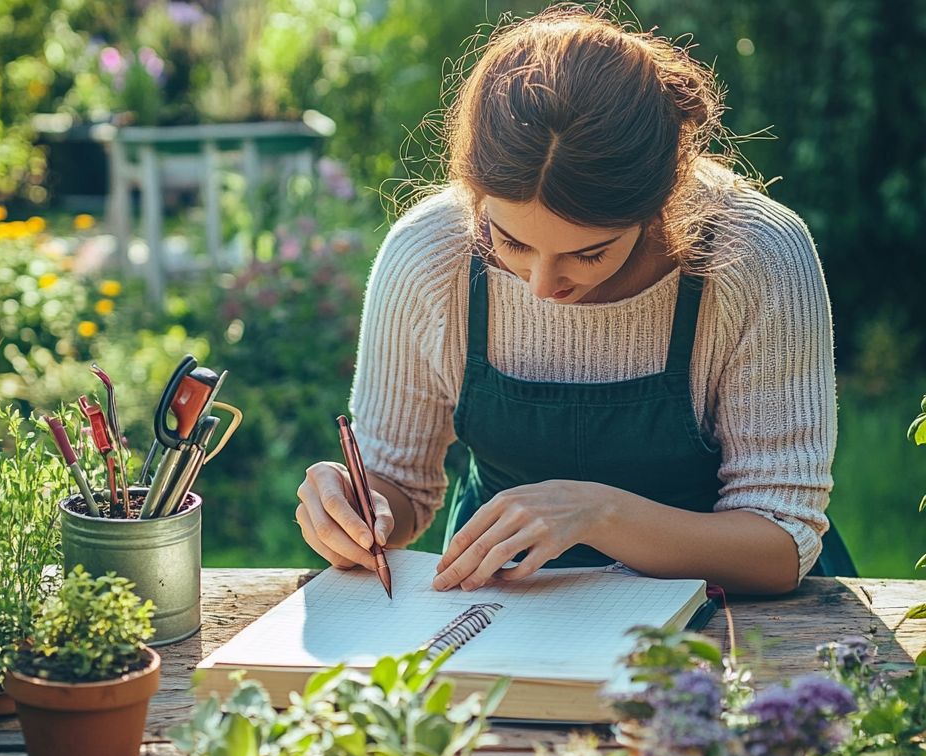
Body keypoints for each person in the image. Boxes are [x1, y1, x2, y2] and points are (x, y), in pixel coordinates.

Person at [295, 5, 837, 596]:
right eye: (511, 243)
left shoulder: (753, 253)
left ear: (661, 199)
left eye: (588, 254)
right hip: (505, 612)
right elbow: (399, 487)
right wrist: (354, 507)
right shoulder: (430, 254)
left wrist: (599, 515)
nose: (540, 286)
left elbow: (781, 544)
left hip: (737, 616)